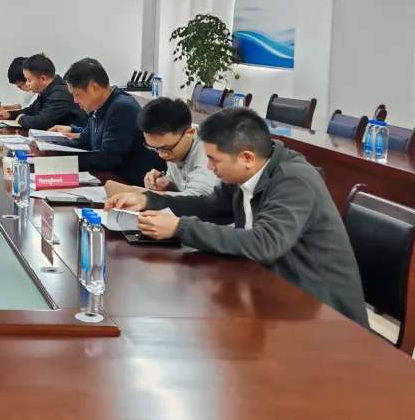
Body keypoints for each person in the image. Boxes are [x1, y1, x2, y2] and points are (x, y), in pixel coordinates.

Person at [107, 108, 368, 326]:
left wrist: (180, 228)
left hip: (322, 314)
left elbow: (265, 243)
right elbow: (209, 206)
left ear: (247, 158)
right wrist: (149, 200)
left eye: (214, 160)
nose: (210, 167)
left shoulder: (294, 181)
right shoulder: (246, 174)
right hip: (270, 291)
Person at [49, 57, 161, 185]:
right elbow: (85, 141)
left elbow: (109, 158)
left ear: (94, 87)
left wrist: (63, 162)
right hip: (109, 176)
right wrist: (51, 147)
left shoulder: (122, 107)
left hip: (130, 182)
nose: (75, 100)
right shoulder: (98, 106)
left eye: (77, 94)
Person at [103, 97, 218, 198]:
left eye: (166, 148)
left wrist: (135, 193)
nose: (161, 155)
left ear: (189, 133)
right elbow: (181, 188)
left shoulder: (210, 151)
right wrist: (167, 184)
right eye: (154, 148)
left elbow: (198, 200)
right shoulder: (174, 146)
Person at [11, 54, 85, 130]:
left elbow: (41, 123)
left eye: (29, 80)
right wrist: (10, 115)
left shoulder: (60, 94)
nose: (27, 84)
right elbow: (31, 110)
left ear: (43, 79)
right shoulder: (47, 91)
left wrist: (21, 119)